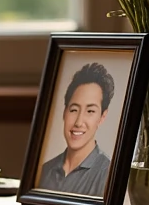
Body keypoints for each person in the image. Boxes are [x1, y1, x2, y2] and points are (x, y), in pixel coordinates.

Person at [37, 61, 114, 197]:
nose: (78, 122)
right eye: (73, 110)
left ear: (102, 116)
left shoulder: (108, 175)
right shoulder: (44, 171)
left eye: (90, 111)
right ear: (64, 112)